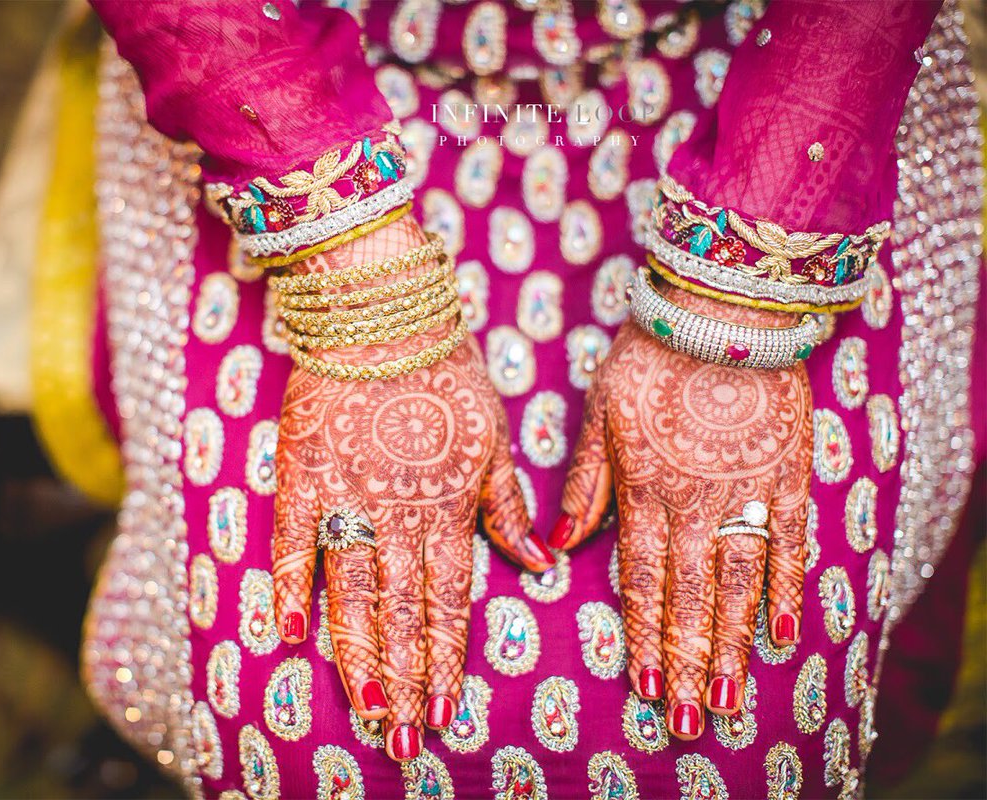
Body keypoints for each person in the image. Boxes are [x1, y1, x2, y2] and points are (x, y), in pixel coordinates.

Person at [68, 1, 984, 797]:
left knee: (751, 728)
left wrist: (733, 307)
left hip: (779, 88)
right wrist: (365, 301)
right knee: (296, 727)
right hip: (284, 92)